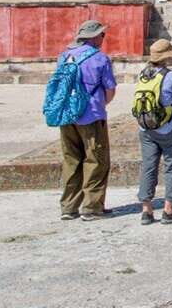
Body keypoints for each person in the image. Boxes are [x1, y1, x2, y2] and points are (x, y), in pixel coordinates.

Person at [58, 20, 117, 222]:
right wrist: (99, 105)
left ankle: (68, 207)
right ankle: (92, 208)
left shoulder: (65, 56)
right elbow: (109, 91)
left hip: (66, 115)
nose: (103, 38)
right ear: (93, 37)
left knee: (71, 159)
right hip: (91, 115)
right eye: (101, 34)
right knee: (96, 160)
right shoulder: (100, 58)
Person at [136, 39, 172, 225]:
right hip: (169, 129)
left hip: (146, 128)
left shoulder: (142, 74)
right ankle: (169, 209)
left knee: (148, 167)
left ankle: (146, 210)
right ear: (166, 58)